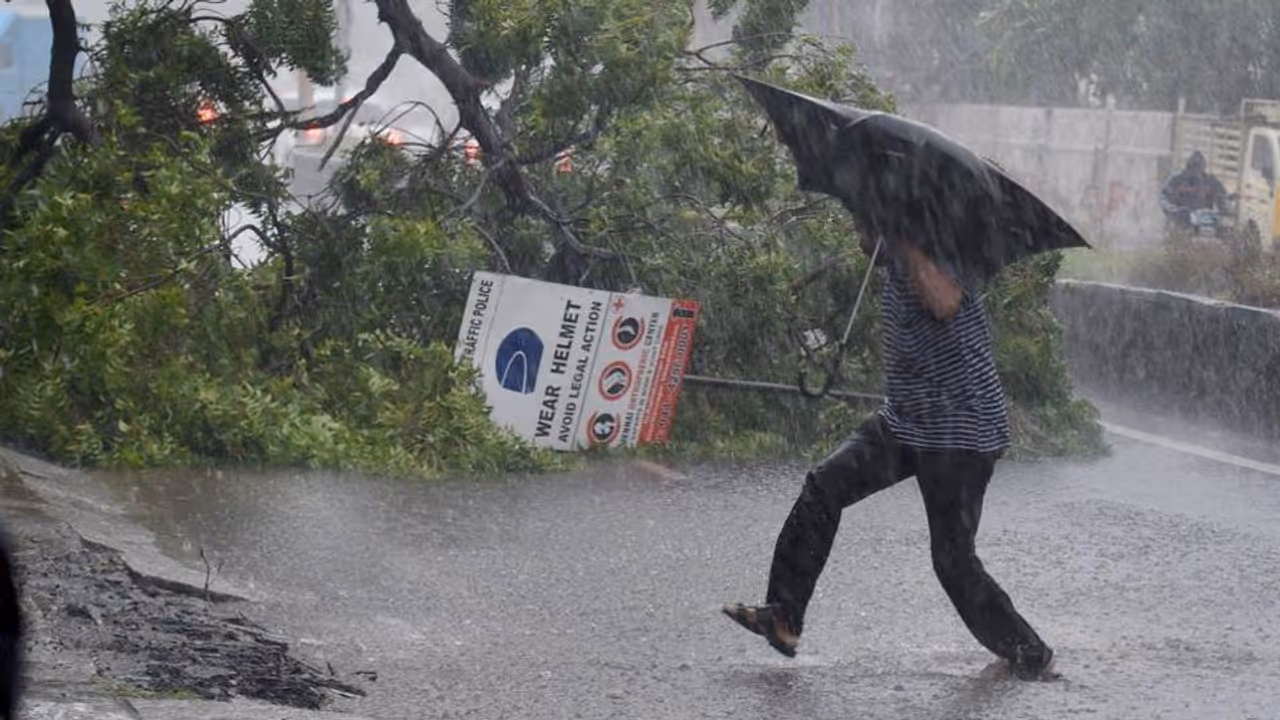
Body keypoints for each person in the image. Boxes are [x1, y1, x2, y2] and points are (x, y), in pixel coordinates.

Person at [722, 232, 1056, 681]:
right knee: (824, 487)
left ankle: (1028, 651)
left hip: (959, 427)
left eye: (867, 217)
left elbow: (945, 302)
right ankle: (783, 618)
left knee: (953, 560)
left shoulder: (940, 244)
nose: (859, 230)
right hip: (906, 420)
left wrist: (908, 242)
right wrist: (887, 242)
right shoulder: (898, 247)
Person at [1160, 151, 1229, 229]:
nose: (1196, 169)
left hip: (1204, 221)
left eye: (1199, 166)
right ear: (1188, 165)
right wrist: (1173, 210)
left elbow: (1222, 196)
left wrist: (1223, 209)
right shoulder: (1177, 179)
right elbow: (1164, 197)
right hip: (1180, 221)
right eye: (1194, 165)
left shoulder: (1211, 181)